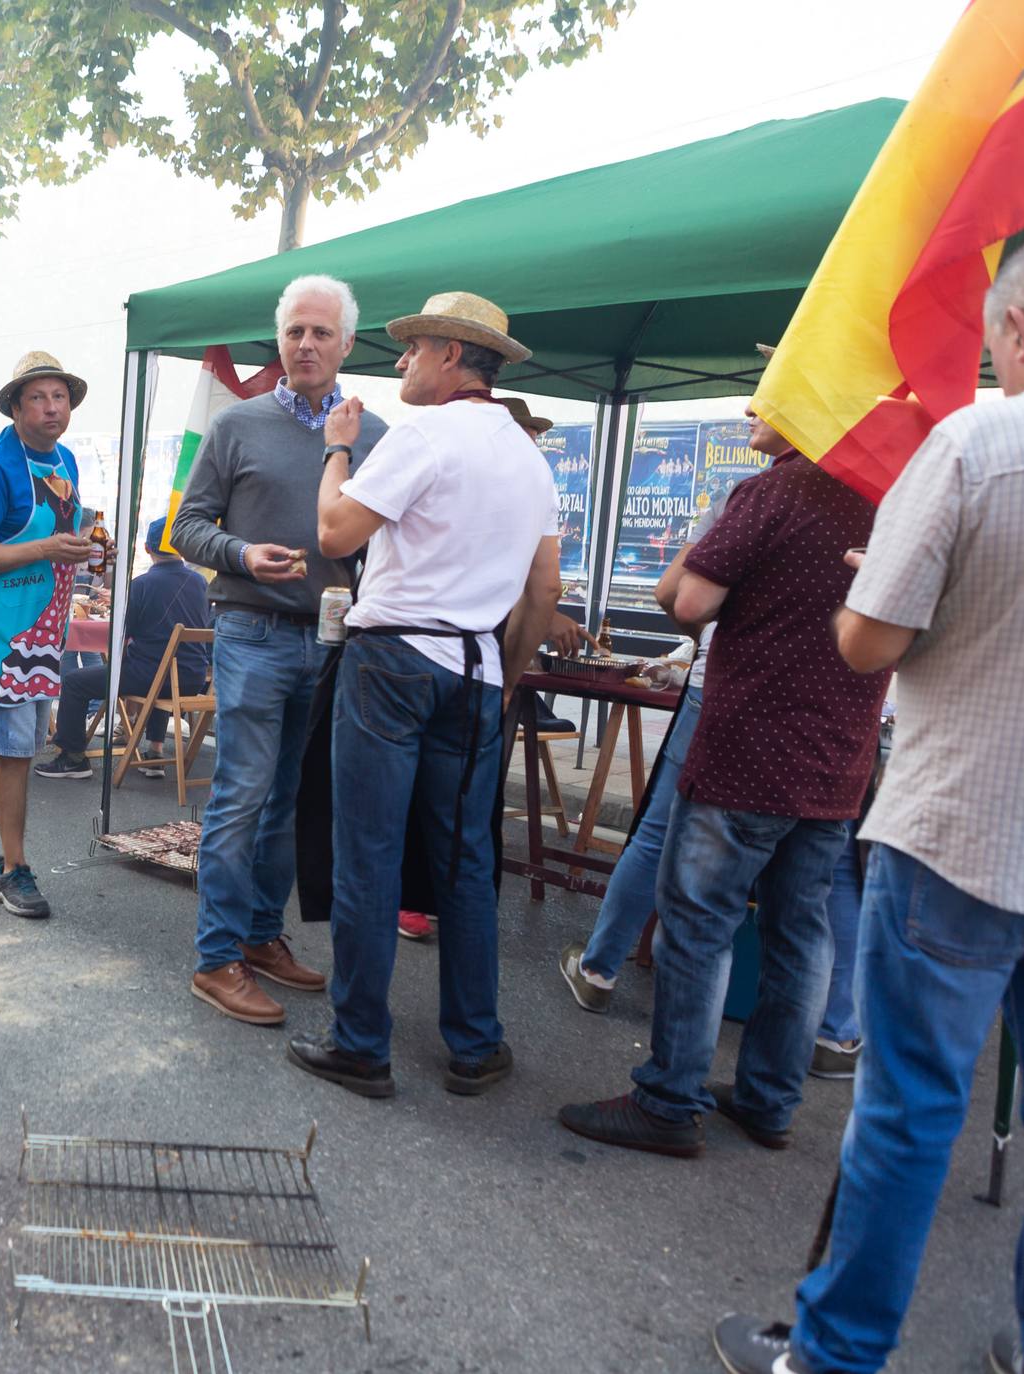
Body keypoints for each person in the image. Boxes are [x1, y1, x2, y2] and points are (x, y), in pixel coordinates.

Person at [713, 229, 1024, 1374]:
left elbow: (871, 636)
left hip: (962, 828)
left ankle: (834, 1356)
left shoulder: (985, 439)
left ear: (1017, 329)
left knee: (911, 1114)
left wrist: (875, 585)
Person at [560, 377, 888, 1161]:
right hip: (839, 755)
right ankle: (768, 1101)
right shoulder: (892, 496)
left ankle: (668, 1101)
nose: (752, 411)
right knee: (799, 929)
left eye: (770, 398)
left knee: (697, 925)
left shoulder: (771, 493)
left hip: (750, 747)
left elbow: (687, 602)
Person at [284, 292, 558, 1099]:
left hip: (395, 660)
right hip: (474, 669)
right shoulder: (527, 454)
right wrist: (505, 681)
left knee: (367, 855)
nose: (400, 363)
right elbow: (542, 589)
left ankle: (360, 1043)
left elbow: (335, 534)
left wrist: (336, 450)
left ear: (446, 354)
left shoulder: (424, 435)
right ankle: (476, 1041)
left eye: (411, 350)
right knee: (464, 861)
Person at [170, 276, 391, 1025]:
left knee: (290, 802)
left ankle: (262, 936)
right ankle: (216, 959)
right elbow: (185, 528)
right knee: (239, 797)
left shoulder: (376, 436)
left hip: (331, 643)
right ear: (280, 339)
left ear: (346, 345)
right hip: (251, 633)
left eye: (320, 333)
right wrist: (239, 554)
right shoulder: (237, 426)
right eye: (294, 331)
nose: (305, 345)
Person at [0, 351, 95, 920]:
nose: (51, 407)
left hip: (43, 616)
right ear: (15, 407)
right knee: (13, 750)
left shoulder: (65, 460)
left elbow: (61, 529)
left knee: (13, 744)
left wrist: (85, 545)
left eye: (59, 397)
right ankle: (14, 870)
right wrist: (45, 549)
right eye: (37, 397)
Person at [37, 515, 210, 781]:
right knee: (163, 664)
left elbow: (123, 632)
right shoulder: (200, 583)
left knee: (74, 681)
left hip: (151, 677)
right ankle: (154, 752)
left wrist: (120, 602)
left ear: (147, 549)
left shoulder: (142, 585)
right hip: (192, 678)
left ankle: (73, 758)